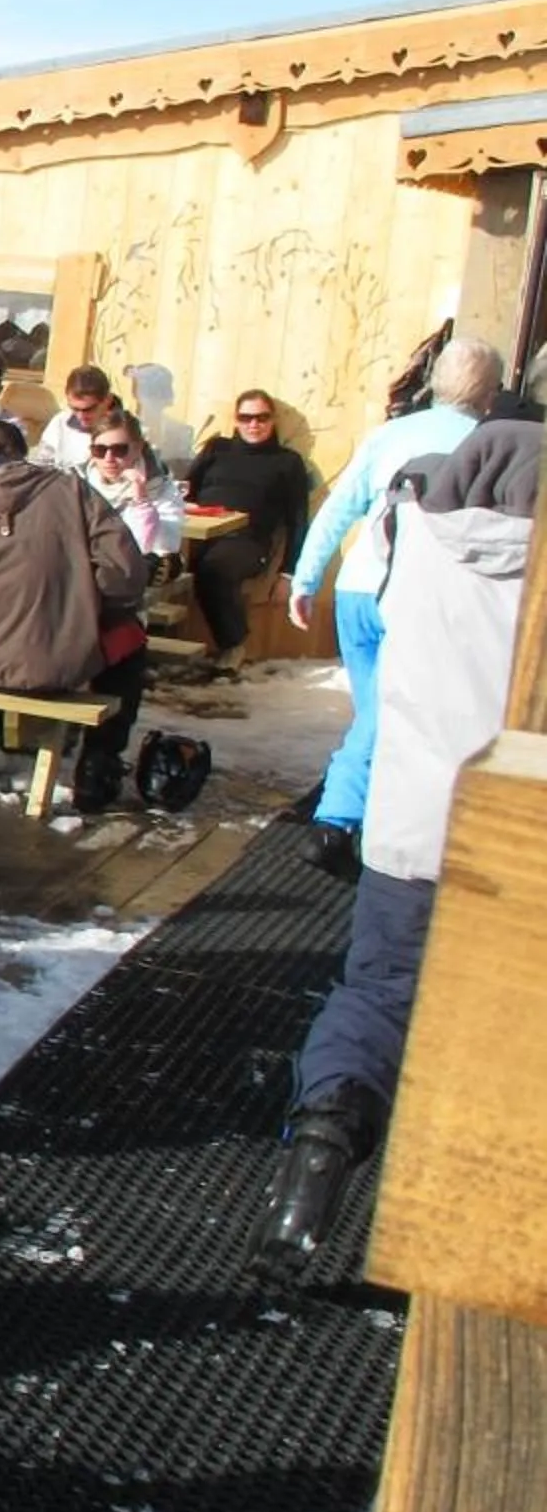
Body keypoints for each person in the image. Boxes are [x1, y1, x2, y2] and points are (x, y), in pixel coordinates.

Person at [254, 419, 536, 1276]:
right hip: (521, 831)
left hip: (412, 820)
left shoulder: (419, 537)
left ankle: (319, 1149)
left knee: (377, 993)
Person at [286, 336, 500, 876]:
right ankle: (336, 821)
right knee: (387, 716)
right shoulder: (482, 444)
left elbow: (338, 510)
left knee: (375, 712)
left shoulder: (390, 435)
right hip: (416, 592)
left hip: (357, 589)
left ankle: (356, 818)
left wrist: (305, 579)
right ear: (491, 392)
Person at [0, 420, 149, 808]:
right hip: (61, 661)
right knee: (129, 638)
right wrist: (88, 605)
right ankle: (99, 761)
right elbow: (126, 574)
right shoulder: (73, 490)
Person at [182, 389, 316, 672]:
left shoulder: (287, 462)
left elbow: (298, 520)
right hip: (198, 533)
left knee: (214, 569)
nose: (254, 424)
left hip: (247, 541)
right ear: (236, 420)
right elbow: (185, 489)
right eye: (246, 418)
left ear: (272, 420)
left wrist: (288, 573)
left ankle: (233, 644)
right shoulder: (217, 448)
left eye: (261, 418)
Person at [80, 409, 186, 558]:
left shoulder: (163, 489)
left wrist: (141, 499)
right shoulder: (80, 484)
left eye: (119, 450)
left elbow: (148, 547)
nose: (109, 458)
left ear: (138, 448)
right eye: (100, 450)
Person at [33, 364, 128, 471]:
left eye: (88, 409)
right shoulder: (60, 422)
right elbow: (40, 466)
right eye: (74, 409)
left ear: (107, 400)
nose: (80, 416)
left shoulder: (129, 430)